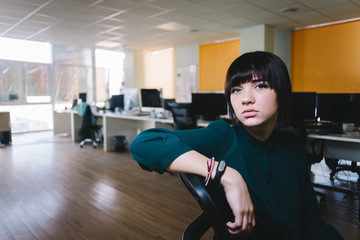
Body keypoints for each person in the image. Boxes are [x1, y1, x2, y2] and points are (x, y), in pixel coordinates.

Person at [129, 51, 343, 240]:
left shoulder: (293, 147)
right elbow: (145, 143)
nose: (246, 99)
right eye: (236, 90)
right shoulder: (223, 135)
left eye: (260, 86)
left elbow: (312, 223)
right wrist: (226, 175)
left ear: (282, 92)